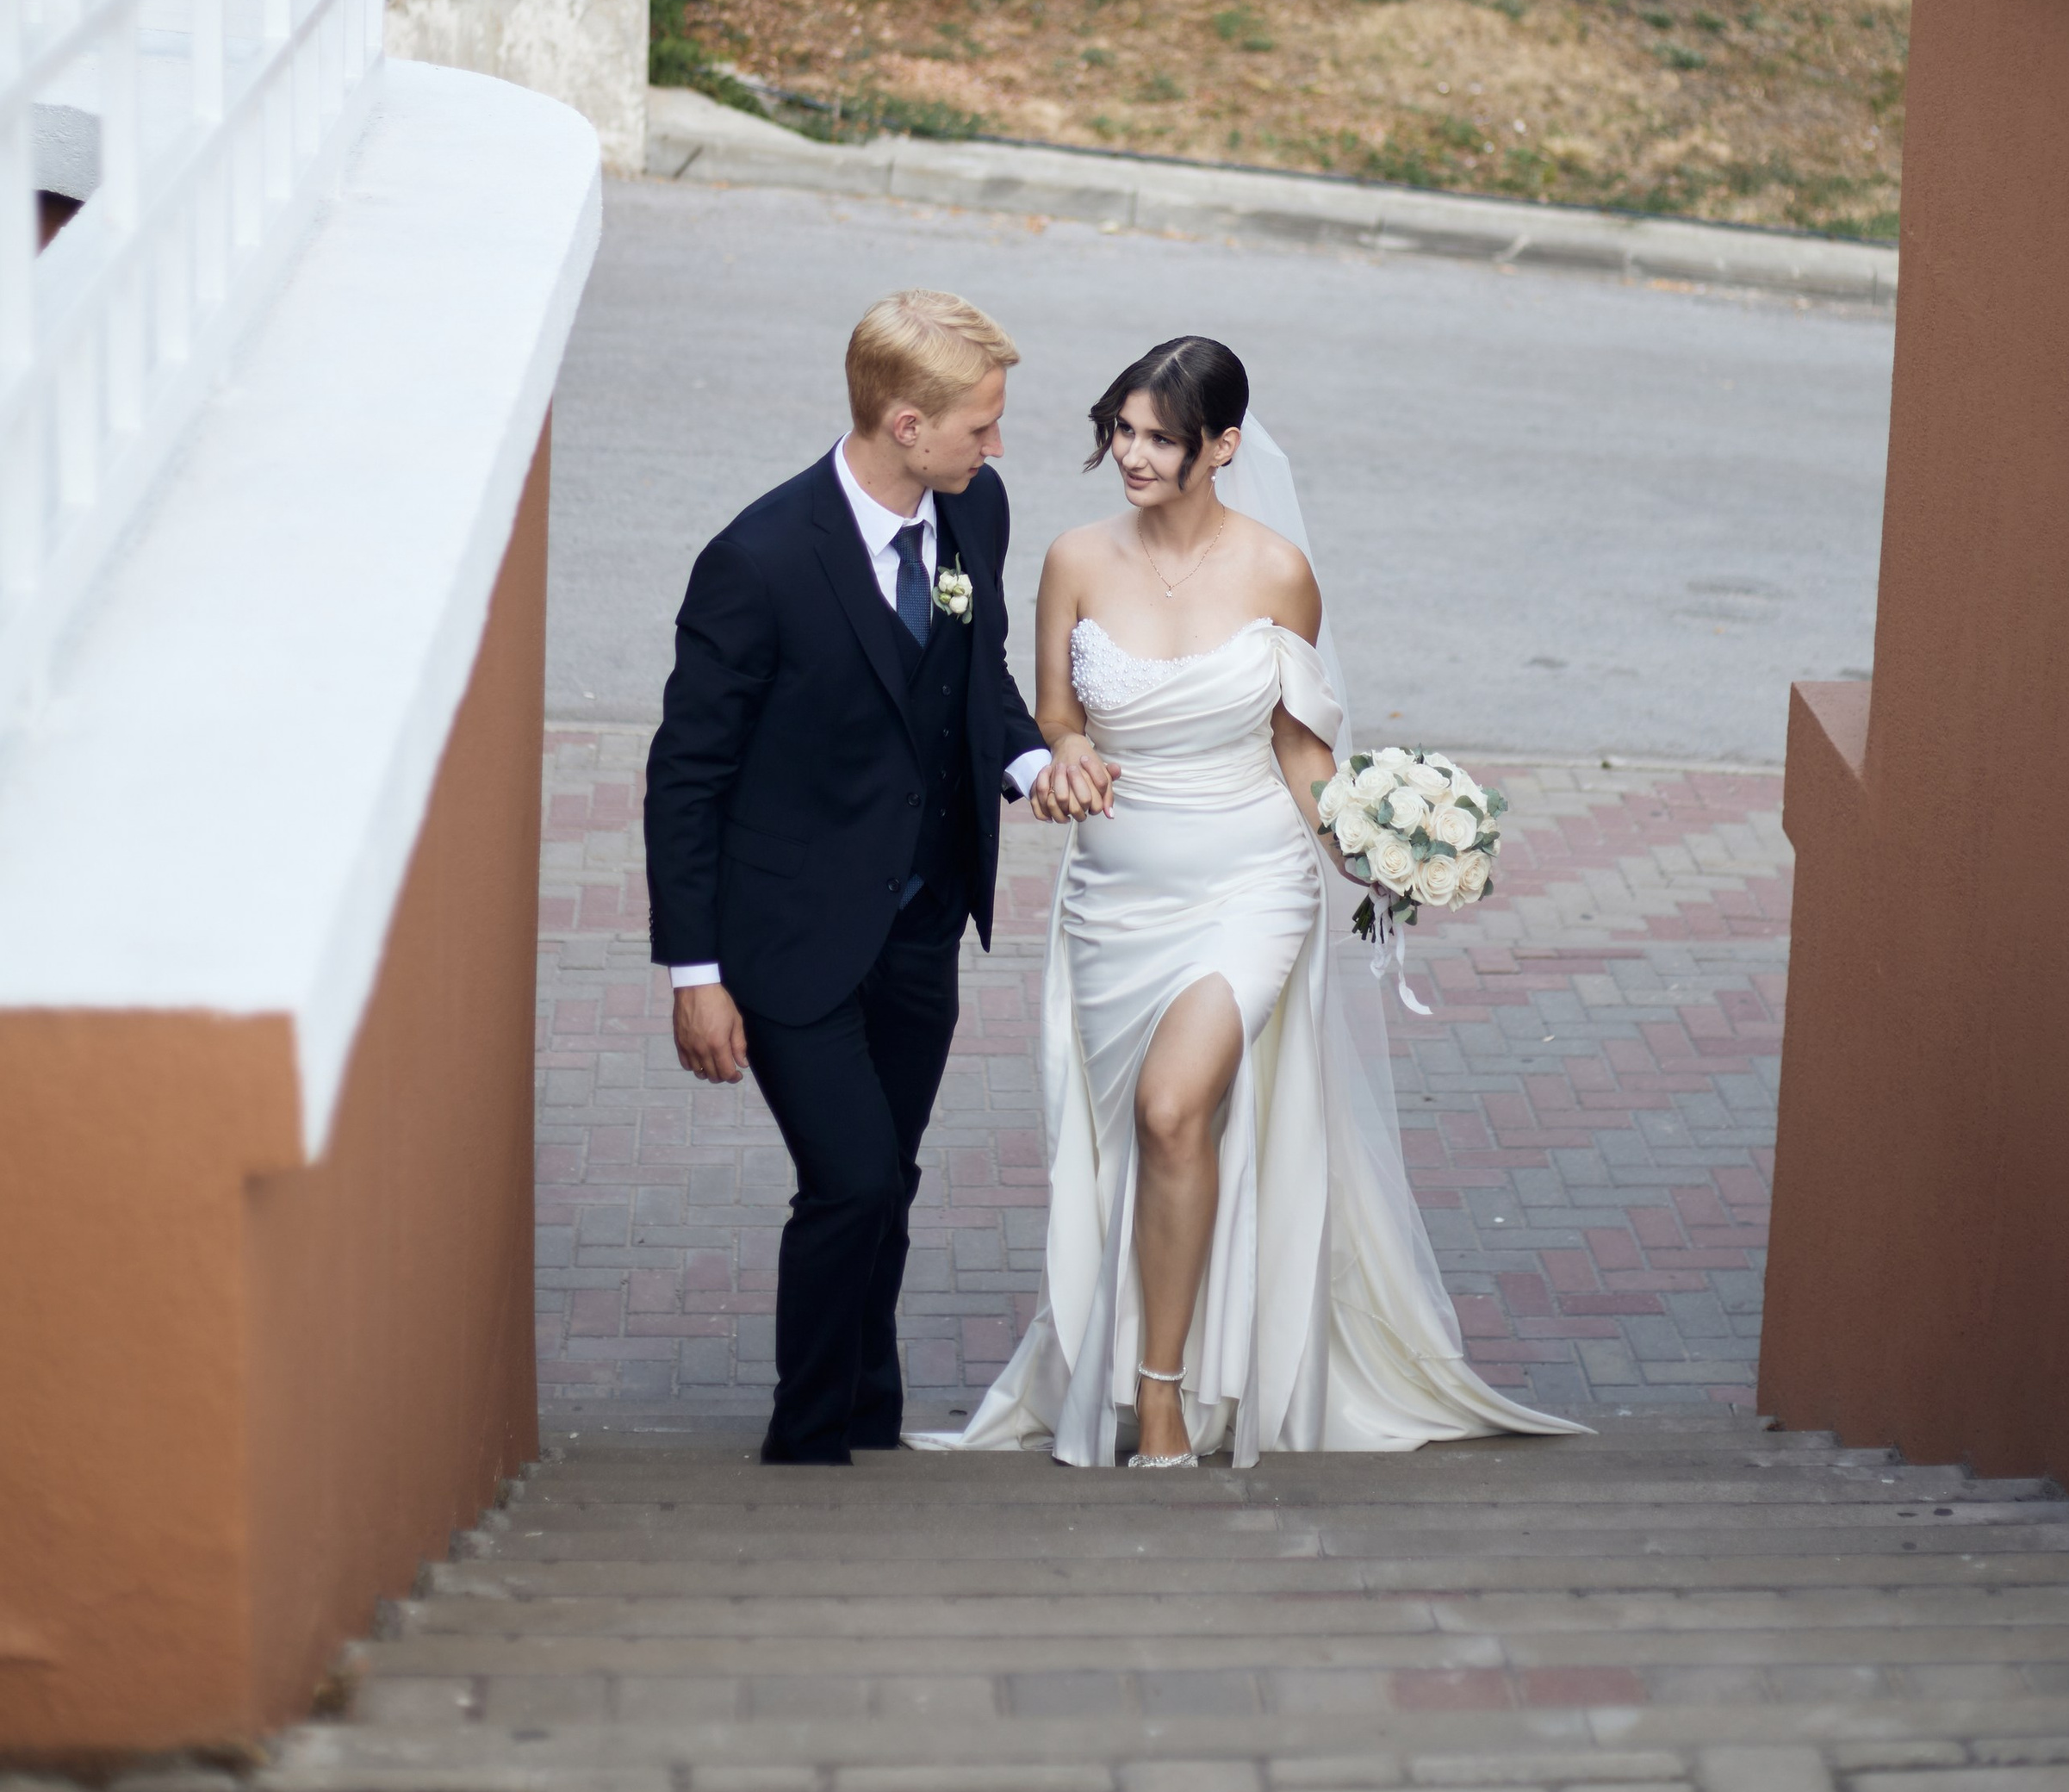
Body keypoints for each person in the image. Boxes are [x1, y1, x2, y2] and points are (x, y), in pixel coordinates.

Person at [911, 334, 1585, 1470]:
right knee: (1129, 1139)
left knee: (1173, 1109)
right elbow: (1054, 713)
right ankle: (1127, 1359)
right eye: (1122, 431)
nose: (1133, 455)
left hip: (1253, 881)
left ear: (1222, 447)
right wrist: (1064, 755)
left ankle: (1162, 1396)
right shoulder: (1075, 558)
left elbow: (1300, 750)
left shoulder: (1279, 574)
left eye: (1160, 438)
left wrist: (1378, 848)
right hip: (1116, 894)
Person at [643, 289, 1113, 1465]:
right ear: (908, 426)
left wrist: (1033, 761)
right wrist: (695, 974)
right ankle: (806, 1441)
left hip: (920, 925)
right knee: (849, 1181)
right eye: (981, 425)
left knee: (887, 1178)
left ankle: (866, 1413)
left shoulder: (974, 509)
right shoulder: (756, 561)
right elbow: (685, 780)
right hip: (788, 935)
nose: (997, 446)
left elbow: (977, 673)